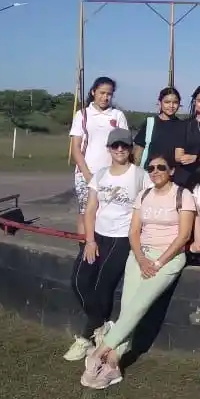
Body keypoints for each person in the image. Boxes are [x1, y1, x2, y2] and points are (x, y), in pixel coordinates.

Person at [81, 154, 196, 389]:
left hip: (169, 258)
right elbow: (134, 231)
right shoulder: (143, 195)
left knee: (139, 305)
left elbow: (183, 235)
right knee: (128, 307)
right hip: (140, 255)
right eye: (150, 168)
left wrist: (158, 262)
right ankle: (113, 364)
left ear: (171, 170)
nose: (155, 171)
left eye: (161, 167)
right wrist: (141, 259)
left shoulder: (183, 196)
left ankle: (99, 353)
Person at [65, 128, 147, 362]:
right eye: (115, 146)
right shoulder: (100, 175)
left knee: (103, 288)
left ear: (130, 148)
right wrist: (90, 240)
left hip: (122, 239)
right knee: (78, 281)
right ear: (109, 149)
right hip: (97, 235)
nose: (120, 150)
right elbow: (90, 209)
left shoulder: (139, 175)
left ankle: (85, 338)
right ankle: (101, 325)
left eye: (124, 145)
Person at [69, 76, 128, 236]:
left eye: (109, 94)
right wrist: (87, 174)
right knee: (86, 213)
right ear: (93, 92)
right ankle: (85, 249)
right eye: (102, 93)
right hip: (86, 173)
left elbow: (124, 146)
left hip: (111, 174)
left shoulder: (117, 115)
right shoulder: (82, 115)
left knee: (107, 214)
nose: (105, 97)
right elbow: (75, 148)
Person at [133, 87, 184, 169]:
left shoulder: (182, 125)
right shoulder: (150, 122)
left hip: (171, 175)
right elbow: (139, 150)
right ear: (160, 103)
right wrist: (136, 171)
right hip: (148, 173)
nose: (171, 106)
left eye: (175, 102)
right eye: (167, 102)